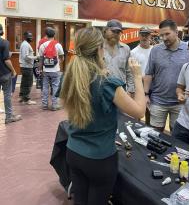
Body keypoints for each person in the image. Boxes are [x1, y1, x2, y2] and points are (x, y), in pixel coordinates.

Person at [60, 27, 145, 205]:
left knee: (80, 200)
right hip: (99, 159)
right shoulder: (107, 83)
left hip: (73, 150)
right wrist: (137, 77)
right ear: (100, 49)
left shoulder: (70, 76)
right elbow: (139, 111)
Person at [144, 19, 189, 132]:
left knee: (177, 135)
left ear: (176, 32)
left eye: (167, 34)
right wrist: (146, 95)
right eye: (161, 35)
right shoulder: (155, 50)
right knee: (155, 134)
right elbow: (149, 73)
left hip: (180, 102)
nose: (164, 38)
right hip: (157, 101)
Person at [103, 19, 134, 94]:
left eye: (118, 32)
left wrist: (130, 90)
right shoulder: (98, 48)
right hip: (102, 90)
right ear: (105, 31)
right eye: (113, 31)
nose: (116, 34)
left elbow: (129, 72)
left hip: (121, 89)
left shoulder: (126, 49)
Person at [0, 24, 22, 124]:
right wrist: (13, 70)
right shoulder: (4, 42)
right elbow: (6, 60)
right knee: (7, 95)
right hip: (4, 73)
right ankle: (9, 116)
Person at [131, 26, 153, 125]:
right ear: (139, 36)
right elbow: (131, 72)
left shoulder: (155, 51)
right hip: (138, 86)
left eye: (147, 35)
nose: (144, 37)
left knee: (150, 112)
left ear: (150, 36)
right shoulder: (133, 52)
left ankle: (148, 130)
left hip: (153, 86)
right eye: (142, 35)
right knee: (137, 111)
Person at [39, 27, 64, 110]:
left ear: (46, 35)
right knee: (55, 87)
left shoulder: (42, 45)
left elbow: (41, 59)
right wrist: (58, 64)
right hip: (55, 70)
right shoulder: (58, 45)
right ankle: (54, 105)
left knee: (45, 87)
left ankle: (44, 105)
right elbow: (61, 57)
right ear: (54, 35)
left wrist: (40, 69)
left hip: (45, 70)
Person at [19, 31, 37, 104]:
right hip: (27, 67)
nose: (31, 38)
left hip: (25, 66)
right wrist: (35, 57)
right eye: (29, 37)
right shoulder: (26, 45)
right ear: (25, 37)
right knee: (28, 83)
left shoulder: (25, 44)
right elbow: (26, 57)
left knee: (24, 82)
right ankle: (26, 99)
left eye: (31, 36)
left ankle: (22, 97)